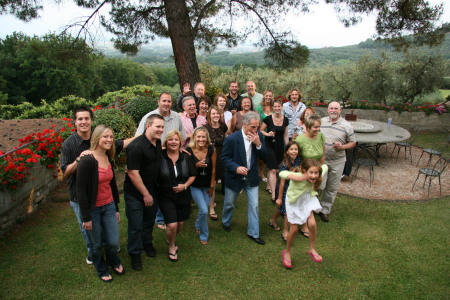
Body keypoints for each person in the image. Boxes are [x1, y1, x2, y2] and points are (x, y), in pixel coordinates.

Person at [60, 105, 134, 265]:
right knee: (88, 229)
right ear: (75, 122)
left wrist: (145, 133)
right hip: (79, 195)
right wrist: (79, 159)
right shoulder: (69, 144)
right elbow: (65, 172)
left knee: (103, 227)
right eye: (80, 119)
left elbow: (119, 144)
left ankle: (109, 249)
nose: (84, 122)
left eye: (87, 118)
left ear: (91, 120)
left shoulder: (100, 137)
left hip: (102, 194)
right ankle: (93, 254)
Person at [76, 125, 124, 282]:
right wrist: (86, 217)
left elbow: (112, 185)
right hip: (93, 209)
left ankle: (112, 259)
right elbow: (81, 191)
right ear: (97, 138)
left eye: (111, 136)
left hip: (109, 205)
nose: (109, 140)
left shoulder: (107, 157)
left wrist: (116, 207)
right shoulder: (87, 161)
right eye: (105, 137)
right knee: (96, 244)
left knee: (113, 241)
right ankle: (101, 268)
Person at [135, 92, 186, 230]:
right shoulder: (149, 117)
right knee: (156, 183)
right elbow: (139, 137)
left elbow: (182, 135)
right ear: (158, 102)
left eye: (169, 101)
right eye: (164, 101)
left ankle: (169, 212)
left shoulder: (176, 117)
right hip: (154, 156)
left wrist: (179, 147)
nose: (166, 104)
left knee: (168, 182)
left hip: (172, 155)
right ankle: (160, 217)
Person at [124, 114, 164, 271]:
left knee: (149, 220)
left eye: (162, 127)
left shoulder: (158, 142)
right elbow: (133, 173)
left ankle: (147, 244)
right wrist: (146, 195)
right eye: (157, 127)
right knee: (135, 225)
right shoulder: (136, 147)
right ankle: (134, 254)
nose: (161, 130)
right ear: (148, 126)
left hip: (152, 189)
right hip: (135, 193)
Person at [221, 111, 267, 245]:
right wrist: (236, 168)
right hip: (234, 177)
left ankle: (254, 233)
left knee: (254, 205)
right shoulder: (232, 139)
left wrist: (258, 144)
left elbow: (264, 156)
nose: (255, 130)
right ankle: (226, 221)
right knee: (229, 203)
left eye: (257, 127)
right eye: (253, 127)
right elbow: (224, 158)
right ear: (245, 124)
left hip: (251, 177)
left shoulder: (258, 137)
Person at [157, 130, 196, 262]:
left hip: (184, 195)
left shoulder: (186, 157)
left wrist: (184, 186)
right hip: (165, 195)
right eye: (170, 139)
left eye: (176, 140)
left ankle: (171, 238)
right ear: (166, 142)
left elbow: (192, 175)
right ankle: (172, 246)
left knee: (179, 224)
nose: (173, 142)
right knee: (172, 225)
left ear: (180, 142)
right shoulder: (159, 155)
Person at [279, 159, 325, 269]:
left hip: (307, 198)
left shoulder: (318, 172)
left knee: (312, 224)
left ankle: (312, 249)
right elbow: (282, 173)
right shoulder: (298, 175)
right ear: (304, 171)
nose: (314, 176)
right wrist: (297, 177)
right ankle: (287, 251)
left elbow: (325, 167)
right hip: (294, 201)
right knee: (294, 229)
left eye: (316, 173)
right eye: (311, 173)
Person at [320, 101, 356, 222]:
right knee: (319, 185)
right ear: (328, 110)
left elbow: (353, 143)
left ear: (340, 110)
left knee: (331, 187)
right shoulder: (321, 122)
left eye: (336, 108)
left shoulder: (347, 126)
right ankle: (314, 207)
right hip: (322, 160)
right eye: (331, 108)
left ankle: (325, 210)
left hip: (337, 161)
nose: (333, 110)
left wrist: (342, 147)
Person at [294, 114, 328, 237]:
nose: (318, 130)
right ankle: (303, 225)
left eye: (319, 127)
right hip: (305, 174)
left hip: (316, 173)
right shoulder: (300, 140)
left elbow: (322, 155)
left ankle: (307, 218)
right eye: (315, 127)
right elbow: (295, 158)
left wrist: (320, 172)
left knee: (312, 196)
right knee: (304, 198)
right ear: (308, 127)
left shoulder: (321, 136)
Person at [186, 127, 216, 245]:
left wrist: (212, 186)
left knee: (204, 209)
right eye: (199, 137)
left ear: (207, 138)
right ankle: (204, 235)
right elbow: (186, 171)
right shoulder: (189, 150)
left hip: (207, 185)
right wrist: (196, 166)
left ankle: (198, 224)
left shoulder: (211, 149)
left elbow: (213, 169)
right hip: (195, 185)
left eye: (203, 137)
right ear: (194, 137)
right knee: (204, 210)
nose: (201, 139)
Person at [270, 142, 301, 241]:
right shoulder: (284, 164)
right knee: (287, 210)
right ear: (287, 151)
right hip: (284, 188)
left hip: (293, 188)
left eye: (296, 149)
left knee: (282, 208)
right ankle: (285, 231)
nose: (294, 151)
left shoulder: (298, 161)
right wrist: (279, 197)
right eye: (291, 149)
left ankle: (272, 220)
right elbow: (282, 183)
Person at [260, 99, 289, 202]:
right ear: (272, 108)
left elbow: (286, 135)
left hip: (280, 147)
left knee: (274, 168)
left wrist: (287, 148)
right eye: (275, 107)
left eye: (279, 106)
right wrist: (268, 134)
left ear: (282, 107)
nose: (277, 108)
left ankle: (268, 186)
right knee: (273, 169)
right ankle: (274, 195)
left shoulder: (285, 119)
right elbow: (261, 130)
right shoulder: (268, 119)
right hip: (269, 145)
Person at [203, 105, 228, 220]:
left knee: (217, 178)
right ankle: (211, 206)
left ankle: (210, 199)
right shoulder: (205, 128)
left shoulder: (223, 126)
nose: (216, 115)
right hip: (210, 156)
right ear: (209, 115)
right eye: (213, 113)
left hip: (221, 155)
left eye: (217, 113)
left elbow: (226, 136)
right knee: (211, 180)